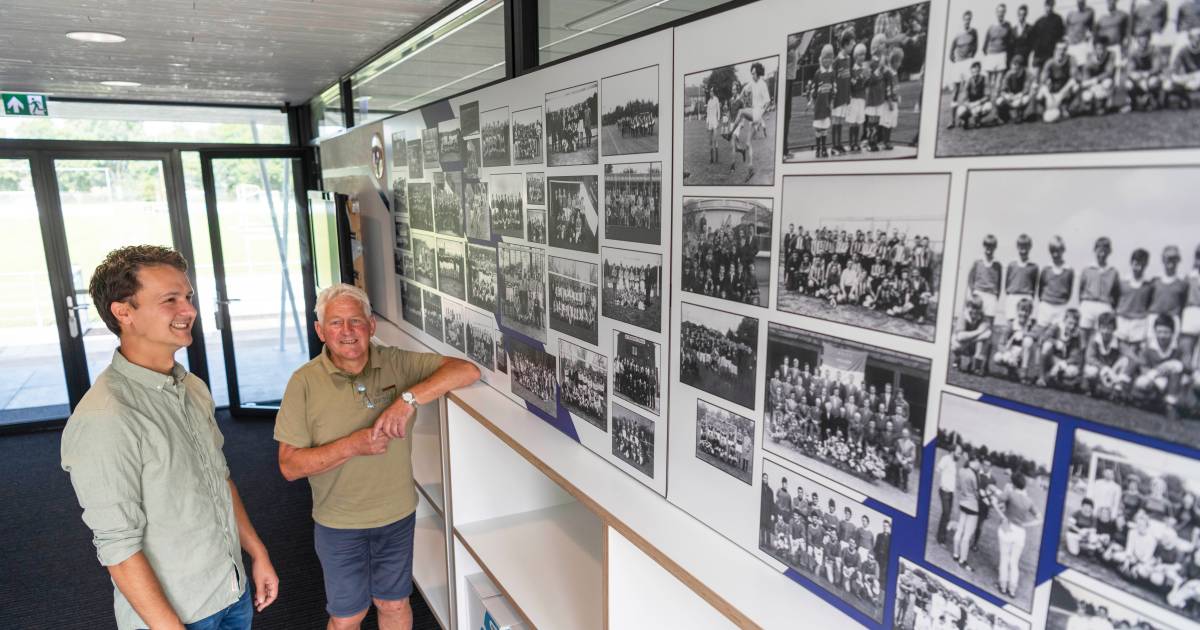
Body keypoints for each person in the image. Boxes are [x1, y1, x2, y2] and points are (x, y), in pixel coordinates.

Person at [62, 245, 279, 630]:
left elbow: (219, 478)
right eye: (170, 300)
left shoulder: (192, 388)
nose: (189, 310)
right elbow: (118, 548)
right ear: (123, 312)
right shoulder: (105, 418)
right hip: (175, 617)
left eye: (189, 297)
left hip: (231, 592)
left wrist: (255, 550)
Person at [275, 283, 480, 630]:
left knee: (394, 603)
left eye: (356, 321)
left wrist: (407, 400)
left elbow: (466, 370)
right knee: (347, 616)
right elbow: (289, 466)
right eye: (336, 323)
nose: (348, 332)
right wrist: (352, 445)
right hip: (339, 523)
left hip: (396, 515)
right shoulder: (303, 383)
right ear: (320, 331)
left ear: (372, 326)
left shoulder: (396, 363)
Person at [996, 473, 1040, 598]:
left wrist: (1002, 515)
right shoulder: (1029, 500)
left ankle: (1003, 586)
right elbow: (1039, 519)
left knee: (1004, 558)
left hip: (1007, 527)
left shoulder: (1010, 493)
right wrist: (1026, 524)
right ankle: (1012, 589)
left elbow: (996, 501)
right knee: (1014, 562)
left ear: (1013, 483)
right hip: (1020, 532)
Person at [936, 443, 962, 544]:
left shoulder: (954, 462)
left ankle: (941, 536)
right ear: (952, 451)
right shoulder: (946, 458)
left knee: (946, 514)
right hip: (944, 491)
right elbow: (938, 469)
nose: (959, 455)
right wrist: (943, 483)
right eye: (958, 452)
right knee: (946, 513)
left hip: (950, 492)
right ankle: (941, 538)